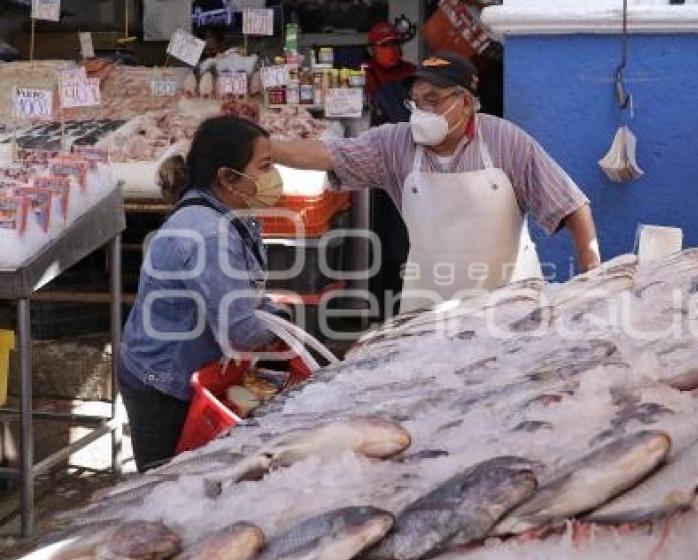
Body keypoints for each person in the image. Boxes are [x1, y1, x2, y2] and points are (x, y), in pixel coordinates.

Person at [271, 52, 600, 313]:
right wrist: (265, 148)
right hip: (428, 308)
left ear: (466, 103)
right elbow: (327, 155)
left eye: (433, 100)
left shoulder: (506, 140)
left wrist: (591, 282)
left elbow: (571, 206)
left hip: (508, 305)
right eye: (415, 102)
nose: (420, 112)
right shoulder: (394, 143)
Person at [119, 116, 285, 472]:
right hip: (162, 382)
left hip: (192, 368)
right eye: (266, 166)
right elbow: (242, 331)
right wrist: (281, 320)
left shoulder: (231, 213)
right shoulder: (209, 234)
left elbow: (244, 297)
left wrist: (268, 311)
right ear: (227, 176)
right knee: (166, 489)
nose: (274, 177)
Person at [364, 21, 417, 317]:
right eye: (385, 45)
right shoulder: (366, 76)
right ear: (373, 50)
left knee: (407, 232)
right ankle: (382, 301)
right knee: (383, 232)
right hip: (381, 164)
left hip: (411, 161)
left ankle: (405, 300)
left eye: (395, 43)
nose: (392, 50)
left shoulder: (412, 73)